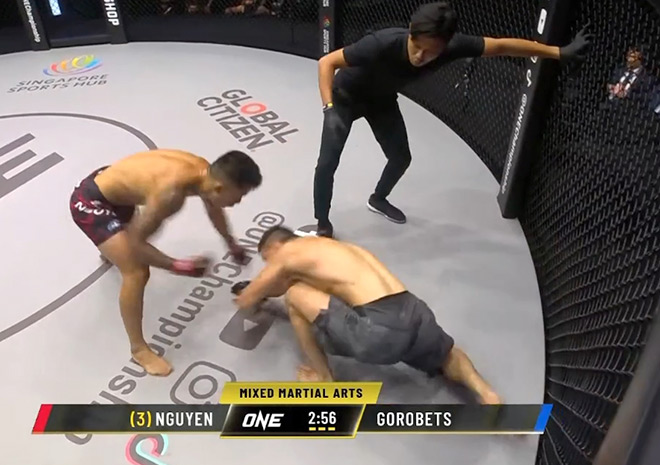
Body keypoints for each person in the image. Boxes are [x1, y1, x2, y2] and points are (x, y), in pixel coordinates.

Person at [313, 1, 592, 237]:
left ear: (444, 46)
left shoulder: (452, 46)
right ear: (410, 32)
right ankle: (323, 224)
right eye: (416, 47)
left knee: (401, 158)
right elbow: (327, 62)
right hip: (345, 97)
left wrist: (558, 52)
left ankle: (378, 198)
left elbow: (500, 46)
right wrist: (329, 108)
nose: (420, 56)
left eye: (430, 52)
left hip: (381, 100)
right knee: (328, 162)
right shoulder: (381, 43)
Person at [232, 226, 501, 405]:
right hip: (414, 311)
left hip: (379, 330)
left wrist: (253, 293)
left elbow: (248, 300)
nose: (269, 265)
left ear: (277, 246)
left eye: (267, 259)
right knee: (447, 353)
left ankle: (324, 378)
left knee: (294, 295)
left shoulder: (286, 253)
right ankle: (486, 392)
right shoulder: (329, 247)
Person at [69, 149, 262, 376]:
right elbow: (136, 243)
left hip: (117, 191)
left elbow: (213, 208)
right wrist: (177, 266)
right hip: (91, 202)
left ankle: (111, 248)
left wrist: (231, 242)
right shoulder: (170, 194)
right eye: (240, 195)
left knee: (127, 243)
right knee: (137, 272)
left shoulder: (205, 172)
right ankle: (139, 349)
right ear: (220, 188)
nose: (239, 202)